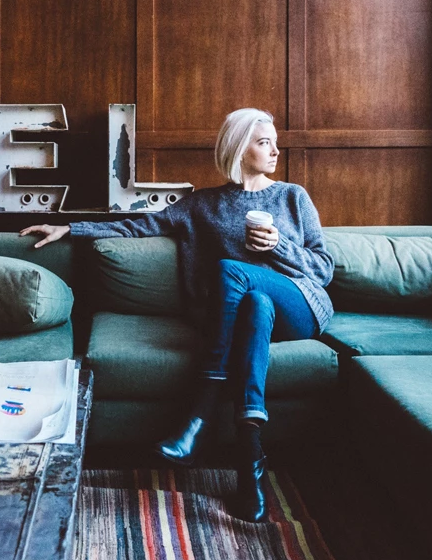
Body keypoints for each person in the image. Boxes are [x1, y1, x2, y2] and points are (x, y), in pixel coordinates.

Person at [20, 108, 335, 522]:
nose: (276, 149)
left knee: (234, 272)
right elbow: (137, 227)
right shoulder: (203, 204)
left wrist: (278, 246)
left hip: (301, 305)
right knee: (255, 304)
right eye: (264, 142)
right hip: (250, 319)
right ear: (240, 149)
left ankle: (199, 414)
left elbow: (324, 268)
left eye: (274, 141)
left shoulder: (292, 197)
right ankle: (249, 463)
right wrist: (70, 229)